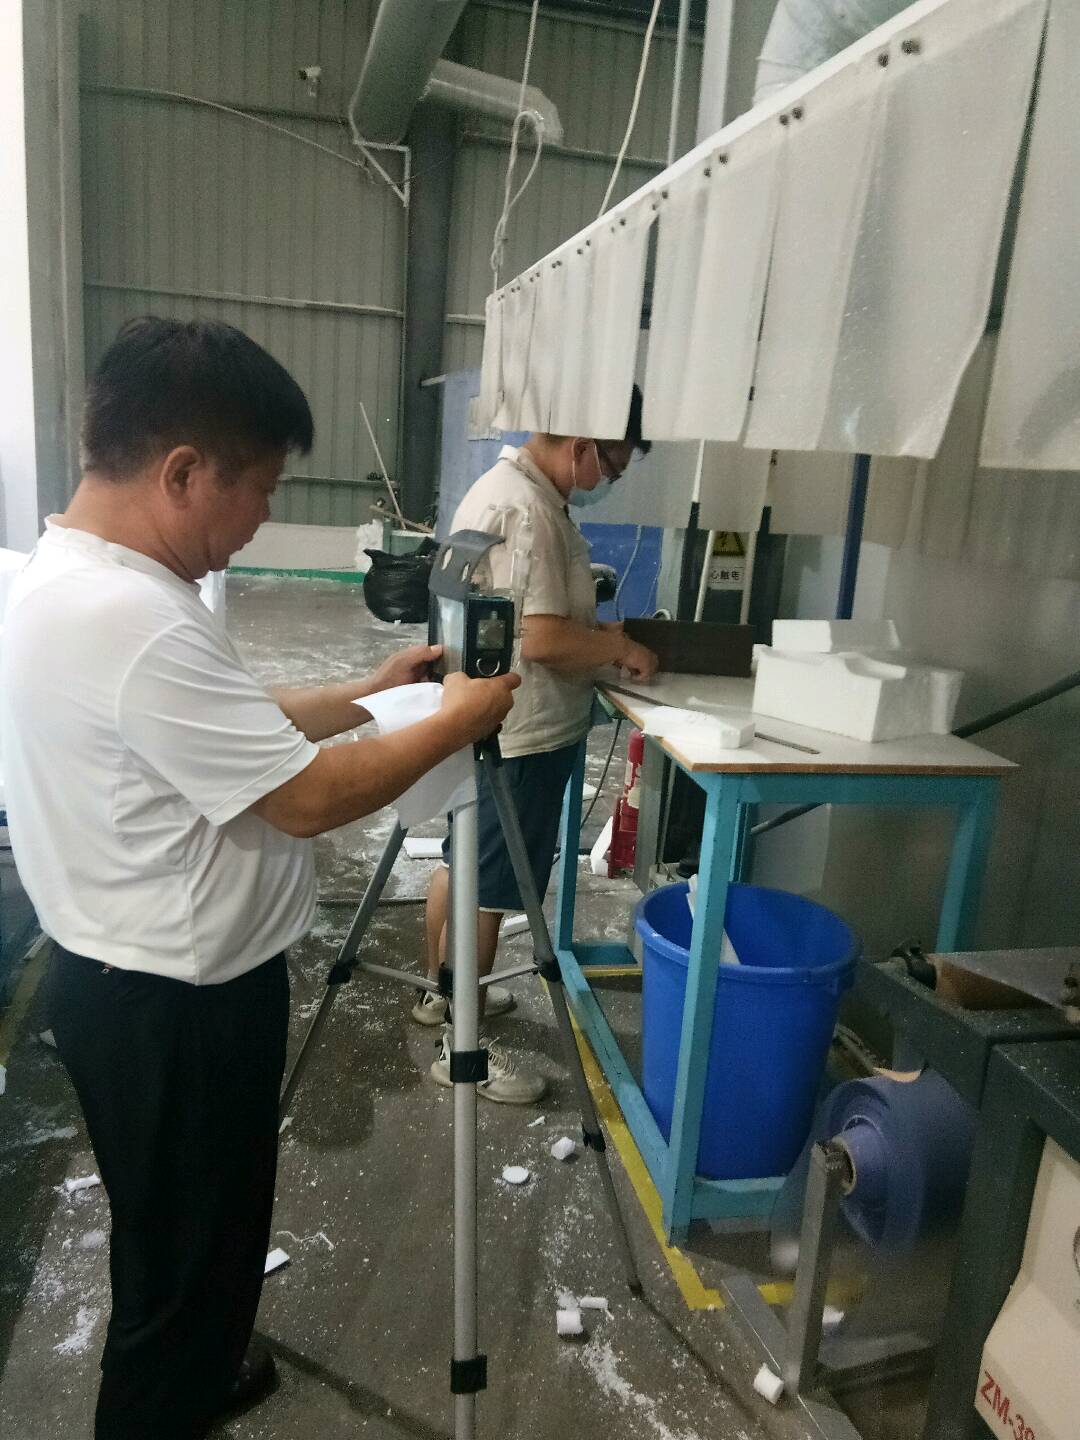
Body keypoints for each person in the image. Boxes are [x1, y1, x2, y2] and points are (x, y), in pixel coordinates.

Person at [0, 317, 519, 1440]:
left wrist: (368, 692)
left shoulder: (71, 581)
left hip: (124, 984)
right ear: (185, 472)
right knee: (180, 1292)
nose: (262, 521)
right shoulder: (133, 620)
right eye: (263, 490)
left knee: (181, 1251)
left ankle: (199, 1372)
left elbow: (225, 724)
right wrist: (459, 718)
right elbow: (307, 799)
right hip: (175, 1013)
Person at [416, 388, 659, 1103]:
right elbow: (544, 639)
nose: (608, 479)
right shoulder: (529, 511)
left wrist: (597, 635)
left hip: (485, 717)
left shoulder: (504, 490)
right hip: (521, 734)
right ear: (582, 444)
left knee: (463, 865)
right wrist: (618, 647)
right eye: (611, 465)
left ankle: (441, 994)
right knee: (489, 893)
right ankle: (460, 1047)